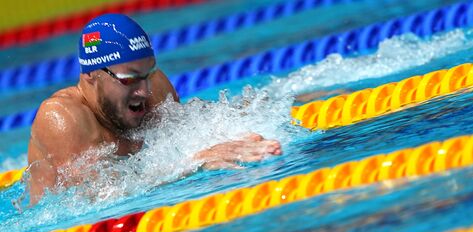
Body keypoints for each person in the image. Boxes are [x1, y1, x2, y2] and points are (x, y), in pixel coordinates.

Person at [27, 14, 282, 203]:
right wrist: (194, 163)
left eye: (149, 73)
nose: (145, 91)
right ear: (92, 74)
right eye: (129, 79)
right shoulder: (62, 118)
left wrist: (236, 129)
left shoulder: (154, 87)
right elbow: (98, 196)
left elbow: (184, 135)